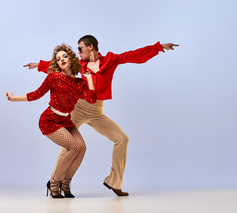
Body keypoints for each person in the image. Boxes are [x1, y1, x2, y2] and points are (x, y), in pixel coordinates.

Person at [24, 35, 179, 196]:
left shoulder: (110, 60)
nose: (78, 52)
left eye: (80, 48)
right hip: (78, 108)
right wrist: (39, 65)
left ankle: (114, 181)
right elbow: (60, 67)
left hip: (97, 111)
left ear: (90, 47)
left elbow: (132, 55)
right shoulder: (80, 65)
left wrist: (158, 47)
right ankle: (54, 182)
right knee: (69, 145)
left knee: (122, 139)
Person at [7, 44, 96, 198]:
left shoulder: (79, 83)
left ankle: (66, 183)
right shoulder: (54, 77)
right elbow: (36, 94)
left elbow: (92, 98)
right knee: (74, 146)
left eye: (65, 56)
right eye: (58, 58)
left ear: (72, 59)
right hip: (50, 120)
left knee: (82, 148)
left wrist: (89, 80)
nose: (61, 59)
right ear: (56, 63)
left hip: (66, 121)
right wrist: (14, 98)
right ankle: (54, 182)